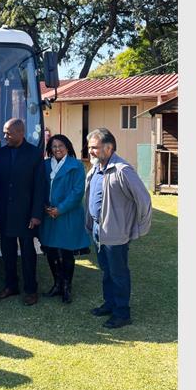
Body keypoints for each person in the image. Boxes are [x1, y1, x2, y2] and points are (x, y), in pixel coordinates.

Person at [84, 128, 152, 329]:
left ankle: (122, 313)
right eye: (89, 147)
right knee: (106, 270)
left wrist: (138, 227)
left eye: (94, 147)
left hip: (116, 233)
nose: (90, 151)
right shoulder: (95, 169)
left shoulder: (122, 170)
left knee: (118, 273)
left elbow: (144, 199)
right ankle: (110, 304)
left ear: (109, 147)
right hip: (98, 230)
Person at [0, 118, 45, 306]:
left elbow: (39, 186)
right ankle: (11, 286)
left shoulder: (35, 154)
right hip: (5, 213)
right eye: (4, 132)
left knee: (28, 254)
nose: (5, 136)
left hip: (26, 215)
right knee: (7, 253)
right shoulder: (0, 154)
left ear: (21, 133)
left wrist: (36, 214)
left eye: (9, 133)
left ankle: (31, 290)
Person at [39, 134, 91, 304]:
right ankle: (57, 284)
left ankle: (67, 287)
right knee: (51, 251)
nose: (57, 149)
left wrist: (60, 209)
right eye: (54, 146)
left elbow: (77, 192)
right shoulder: (45, 165)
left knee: (67, 252)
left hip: (68, 214)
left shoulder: (76, 165)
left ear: (67, 147)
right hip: (49, 215)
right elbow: (39, 187)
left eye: (60, 145)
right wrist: (44, 206)